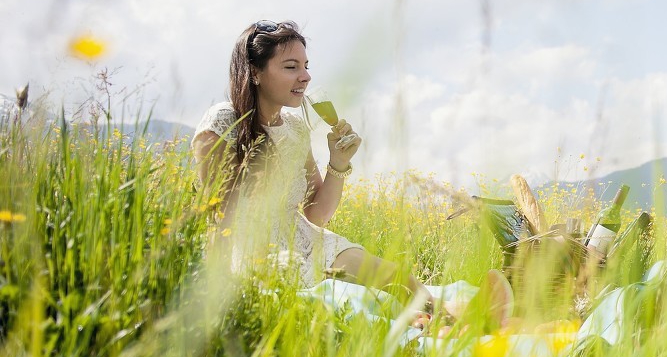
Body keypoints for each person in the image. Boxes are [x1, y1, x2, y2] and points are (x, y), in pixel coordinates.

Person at [191, 19, 512, 324]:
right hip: (249, 249)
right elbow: (217, 215)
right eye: (291, 67)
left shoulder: (296, 129)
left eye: (306, 66)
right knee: (348, 302)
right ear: (255, 73)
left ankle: (457, 318)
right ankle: (445, 321)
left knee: (396, 279)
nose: (305, 77)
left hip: (302, 238)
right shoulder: (224, 121)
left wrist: (338, 162)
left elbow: (315, 214)